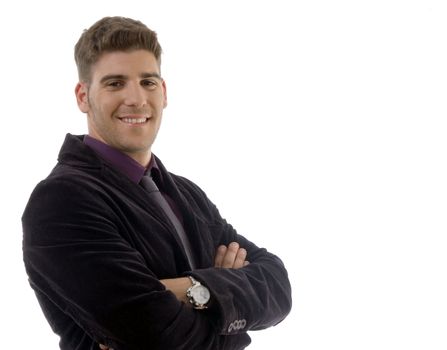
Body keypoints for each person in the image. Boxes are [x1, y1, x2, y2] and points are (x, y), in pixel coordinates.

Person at [22, 16, 291, 350]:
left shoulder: (186, 194)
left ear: (163, 92)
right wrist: (231, 316)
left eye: (148, 82)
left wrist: (186, 290)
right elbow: (155, 337)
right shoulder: (61, 201)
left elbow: (278, 286)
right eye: (115, 83)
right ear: (83, 96)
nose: (136, 99)